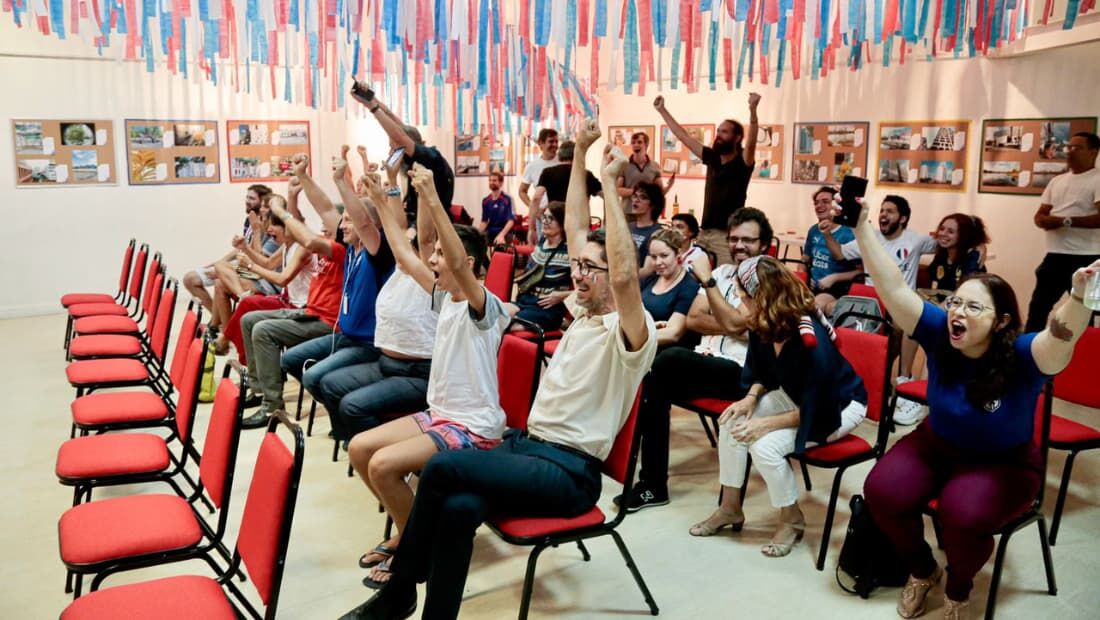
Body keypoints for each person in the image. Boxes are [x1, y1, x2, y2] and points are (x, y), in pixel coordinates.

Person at [339, 120, 657, 620]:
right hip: (528, 447)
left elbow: (619, 273)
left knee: (442, 468)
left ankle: (400, 590)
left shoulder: (630, 332)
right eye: (577, 266)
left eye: (587, 270)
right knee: (459, 507)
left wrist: (612, 192)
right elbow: (576, 227)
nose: (577, 273)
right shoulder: (581, 313)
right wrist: (582, 159)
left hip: (570, 472)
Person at [854, 194, 1097, 619]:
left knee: (961, 515)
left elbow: (1059, 340)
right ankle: (922, 570)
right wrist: (861, 227)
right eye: (955, 303)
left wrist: (1078, 299)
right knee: (881, 491)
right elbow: (892, 285)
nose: (957, 313)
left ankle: (958, 592)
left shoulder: (1022, 355)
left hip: (1003, 463)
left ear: (1002, 321)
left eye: (973, 306)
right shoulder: (939, 332)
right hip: (936, 445)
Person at [345, 164, 509, 591]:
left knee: (383, 466)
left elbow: (454, 257)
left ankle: (415, 546)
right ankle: (414, 530)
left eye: (438, 255)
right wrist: (381, 199)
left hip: (475, 426)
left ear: (467, 264)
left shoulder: (482, 304)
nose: (431, 259)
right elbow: (403, 255)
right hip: (441, 414)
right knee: (361, 448)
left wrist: (432, 197)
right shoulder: (445, 297)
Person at [689, 256, 867, 559]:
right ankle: (730, 508)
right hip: (798, 396)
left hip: (839, 405)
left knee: (764, 446)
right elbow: (762, 373)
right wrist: (749, 399)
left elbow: (820, 407)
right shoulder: (765, 321)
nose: (740, 301)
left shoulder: (810, 338)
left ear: (762, 297)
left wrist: (765, 424)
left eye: (743, 295)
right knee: (731, 423)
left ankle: (791, 519)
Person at [617, 207, 772, 512]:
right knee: (652, 380)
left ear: (764, 244)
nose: (740, 246)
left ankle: (650, 479)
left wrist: (729, 316)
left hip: (746, 374)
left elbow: (749, 325)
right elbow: (695, 319)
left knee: (667, 359)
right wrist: (733, 322)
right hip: (709, 359)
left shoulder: (768, 278)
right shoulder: (723, 273)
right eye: (735, 239)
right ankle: (653, 484)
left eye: (749, 241)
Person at [275, 147, 396, 435]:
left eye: (349, 220)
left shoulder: (375, 251)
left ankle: (347, 428)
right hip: (344, 335)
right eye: (343, 222)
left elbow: (363, 220)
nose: (342, 225)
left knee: (316, 376)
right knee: (290, 360)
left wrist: (342, 181)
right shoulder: (349, 250)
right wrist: (303, 176)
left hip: (367, 344)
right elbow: (327, 209)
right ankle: (342, 416)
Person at [238, 160, 348, 428]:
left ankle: (271, 406)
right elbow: (298, 226)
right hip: (309, 312)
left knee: (262, 330)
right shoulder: (325, 244)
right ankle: (259, 390)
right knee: (248, 319)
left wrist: (283, 208)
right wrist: (292, 194)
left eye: (329, 227)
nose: (322, 230)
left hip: (326, 322)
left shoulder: (341, 251)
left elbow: (303, 236)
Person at [825, 194, 937, 425]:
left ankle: (902, 380)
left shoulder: (915, 240)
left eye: (890, 211)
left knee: (905, 325)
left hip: (899, 304)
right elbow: (839, 253)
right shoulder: (870, 237)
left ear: (903, 218)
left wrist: (979, 247)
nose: (883, 215)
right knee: (829, 307)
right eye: (882, 210)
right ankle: (841, 379)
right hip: (869, 300)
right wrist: (827, 233)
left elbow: (947, 242)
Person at [654, 92, 760, 265]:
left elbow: (752, 142)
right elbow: (683, 136)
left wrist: (753, 110)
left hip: (726, 236)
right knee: (697, 276)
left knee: (723, 280)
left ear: (737, 137)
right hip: (705, 233)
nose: (719, 135)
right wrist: (662, 110)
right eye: (718, 131)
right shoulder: (712, 158)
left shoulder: (743, 161)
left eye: (724, 132)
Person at [215, 202, 318, 359]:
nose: (268, 229)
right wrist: (245, 248)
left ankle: (229, 342)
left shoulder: (302, 247)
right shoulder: (286, 245)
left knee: (245, 302)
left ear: (288, 227)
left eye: (273, 225)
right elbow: (268, 263)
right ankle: (235, 347)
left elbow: (282, 279)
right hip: (284, 297)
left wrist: (250, 265)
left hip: (298, 305)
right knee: (223, 277)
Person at [1025, 131, 1100, 332]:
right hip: (1056, 255)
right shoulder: (1057, 181)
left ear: (1093, 152)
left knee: (1086, 312)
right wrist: (1045, 221)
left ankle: (1083, 357)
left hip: (1087, 257)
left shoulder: (1097, 179)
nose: (1071, 152)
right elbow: (1040, 215)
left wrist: (1064, 221)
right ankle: (1027, 351)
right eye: (1069, 147)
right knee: (1038, 307)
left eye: (1078, 148)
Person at [354, 90, 456, 223]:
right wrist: (371, 98)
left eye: (393, 148)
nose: (390, 153)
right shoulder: (415, 159)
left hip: (434, 227)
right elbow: (398, 127)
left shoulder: (430, 158)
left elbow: (400, 136)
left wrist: (372, 107)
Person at [182, 184, 273, 321]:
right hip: (243, 263)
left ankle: (222, 323)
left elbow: (257, 257)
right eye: (247, 197)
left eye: (252, 198)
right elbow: (241, 249)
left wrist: (225, 268)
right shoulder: (249, 221)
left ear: (261, 203)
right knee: (190, 279)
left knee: (216, 279)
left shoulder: (266, 225)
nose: (247, 201)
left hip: (252, 269)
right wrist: (220, 262)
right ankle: (219, 322)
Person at [504, 201, 573, 331]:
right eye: (544, 217)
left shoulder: (569, 251)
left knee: (507, 325)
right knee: (493, 315)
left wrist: (562, 295)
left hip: (548, 309)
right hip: (526, 301)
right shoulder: (542, 242)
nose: (545, 221)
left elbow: (583, 289)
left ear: (562, 223)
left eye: (551, 218)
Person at [802, 186, 861, 314]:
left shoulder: (848, 233)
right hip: (811, 287)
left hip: (835, 289)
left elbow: (860, 272)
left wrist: (834, 278)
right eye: (816, 203)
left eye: (825, 202)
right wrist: (805, 279)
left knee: (813, 308)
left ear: (836, 207)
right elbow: (803, 262)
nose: (819, 205)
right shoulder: (813, 230)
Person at [529, 140, 603, 240]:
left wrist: (531, 229)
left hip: (555, 223)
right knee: (576, 254)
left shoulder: (548, 172)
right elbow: (606, 196)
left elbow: (536, 198)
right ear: (577, 155)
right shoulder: (585, 174)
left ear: (559, 155)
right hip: (579, 224)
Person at [641, 227, 700, 346]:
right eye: (653, 257)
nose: (657, 262)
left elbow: (673, 333)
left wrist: (633, 339)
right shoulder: (650, 279)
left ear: (678, 254)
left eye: (664, 256)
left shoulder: (688, 286)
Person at [923, 214, 990, 299]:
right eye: (942, 229)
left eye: (951, 231)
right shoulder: (942, 254)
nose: (943, 233)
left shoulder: (972, 259)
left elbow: (965, 293)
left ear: (963, 236)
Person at [518, 129, 560, 242]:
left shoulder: (563, 161)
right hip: (542, 217)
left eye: (556, 141)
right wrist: (533, 208)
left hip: (562, 216)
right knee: (543, 249)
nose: (555, 145)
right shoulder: (532, 166)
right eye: (551, 141)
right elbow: (522, 191)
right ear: (540, 143)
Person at [615, 130, 676, 196]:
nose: (635, 145)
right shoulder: (624, 165)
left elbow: (659, 194)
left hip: (648, 206)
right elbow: (617, 190)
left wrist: (670, 185)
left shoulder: (655, 166)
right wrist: (636, 192)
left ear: (646, 145)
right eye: (633, 142)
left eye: (639, 142)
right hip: (628, 206)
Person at [629, 182, 665, 279]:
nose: (636, 200)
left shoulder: (657, 232)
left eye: (643, 197)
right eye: (635, 196)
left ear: (653, 205)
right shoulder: (628, 227)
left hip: (640, 286)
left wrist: (623, 278)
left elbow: (647, 270)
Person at [477, 171, 515, 248]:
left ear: (501, 183)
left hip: (505, 232)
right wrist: (477, 234)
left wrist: (501, 235)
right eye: (490, 180)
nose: (491, 182)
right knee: (477, 243)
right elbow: (484, 221)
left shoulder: (508, 199)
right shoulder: (485, 200)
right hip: (490, 231)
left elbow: (511, 221)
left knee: (499, 244)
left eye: (494, 180)